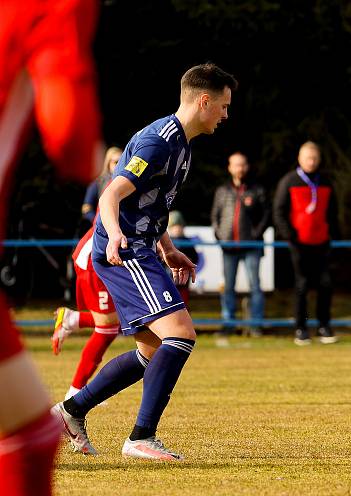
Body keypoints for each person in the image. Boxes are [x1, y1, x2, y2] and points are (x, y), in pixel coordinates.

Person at [51, 63, 237, 461]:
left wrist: (167, 247)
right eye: (223, 106)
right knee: (181, 334)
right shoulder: (159, 143)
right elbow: (110, 196)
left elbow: (150, 203)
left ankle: (71, 411)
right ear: (204, 101)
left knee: (151, 350)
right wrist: (117, 235)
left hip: (142, 247)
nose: (225, 115)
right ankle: (141, 437)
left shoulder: (180, 143)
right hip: (127, 251)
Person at [1, 0, 103, 493]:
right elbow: (68, 137)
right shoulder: (52, 7)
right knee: (32, 440)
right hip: (103, 251)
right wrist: (95, 159)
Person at [273, 141, 340, 345]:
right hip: (299, 244)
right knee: (301, 286)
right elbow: (279, 210)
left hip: (322, 242)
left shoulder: (326, 181)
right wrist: (290, 235)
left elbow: (333, 211)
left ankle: (324, 326)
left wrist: (332, 233)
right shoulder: (289, 181)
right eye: (307, 158)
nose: (311, 162)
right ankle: (301, 329)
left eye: (314, 158)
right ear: (300, 159)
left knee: (325, 285)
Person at [52, 222, 121, 401]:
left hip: (109, 254)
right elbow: (108, 211)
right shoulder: (126, 192)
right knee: (107, 329)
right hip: (97, 257)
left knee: (130, 316)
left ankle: (73, 319)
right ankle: (75, 392)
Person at [211, 152, 269, 336]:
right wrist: (220, 235)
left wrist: (256, 234)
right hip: (229, 247)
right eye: (236, 165)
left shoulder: (258, 189)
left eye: (242, 164)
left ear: (247, 166)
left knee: (255, 287)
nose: (240, 168)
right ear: (229, 167)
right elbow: (215, 216)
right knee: (228, 288)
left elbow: (266, 215)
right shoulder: (222, 191)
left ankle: (256, 325)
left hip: (252, 247)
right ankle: (229, 325)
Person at [77, 147, 122, 234]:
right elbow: (86, 209)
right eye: (116, 162)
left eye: (121, 161)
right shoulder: (97, 184)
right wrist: (99, 222)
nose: (119, 165)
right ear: (108, 164)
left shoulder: (130, 182)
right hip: (102, 230)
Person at [167, 210, 199, 310]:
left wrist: (187, 260)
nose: (177, 229)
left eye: (179, 226)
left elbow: (195, 258)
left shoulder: (188, 243)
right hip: (168, 283)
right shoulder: (165, 243)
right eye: (174, 226)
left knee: (183, 305)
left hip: (183, 284)